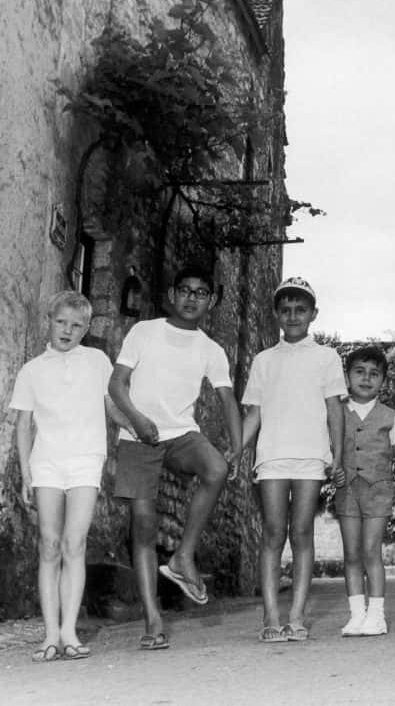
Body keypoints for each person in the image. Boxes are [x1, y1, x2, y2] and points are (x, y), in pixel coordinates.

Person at [108, 265, 243, 651]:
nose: (190, 298)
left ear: (211, 301)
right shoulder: (145, 331)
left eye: (200, 292)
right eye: (184, 290)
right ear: (172, 293)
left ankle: (184, 557)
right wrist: (137, 420)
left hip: (181, 434)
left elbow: (227, 400)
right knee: (145, 526)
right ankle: (153, 621)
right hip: (137, 434)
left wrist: (236, 447)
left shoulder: (211, 349)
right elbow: (116, 384)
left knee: (216, 468)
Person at [10, 291, 125, 661]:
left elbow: (115, 406)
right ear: (50, 319)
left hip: (86, 461)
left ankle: (70, 632)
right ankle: (48, 636)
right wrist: (27, 474)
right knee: (49, 544)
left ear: (87, 328)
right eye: (61, 322)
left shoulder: (97, 361)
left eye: (77, 325)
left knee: (75, 543)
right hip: (47, 463)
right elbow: (24, 426)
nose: (67, 330)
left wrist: (141, 427)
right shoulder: (32, 370)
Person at [240, 277, 346, 643]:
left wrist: (338, 455)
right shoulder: (264, 360)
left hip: (311, 457)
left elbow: (335, 411)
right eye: (286, 310)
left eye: (301, 309)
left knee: (302, 533)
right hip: (272, 457)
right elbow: (253, 412)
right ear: (276, 315)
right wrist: (236, 446)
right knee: (272, 533)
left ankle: (297, 616)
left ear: (313, 314)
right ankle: (271, 616)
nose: (293, 315)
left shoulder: (326, 357)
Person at [332, 345, 395, 637]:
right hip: (347, 490)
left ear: (382, 381)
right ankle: (356, 615)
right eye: (359, 372)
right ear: (347, 377)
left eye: (374, 374)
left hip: (379, 490)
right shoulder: (336, 413)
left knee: (371, 551)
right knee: (351, 553)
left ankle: (377, 615)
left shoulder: (390, 416)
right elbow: (329, 450)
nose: (366, 378)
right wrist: (330, 467)